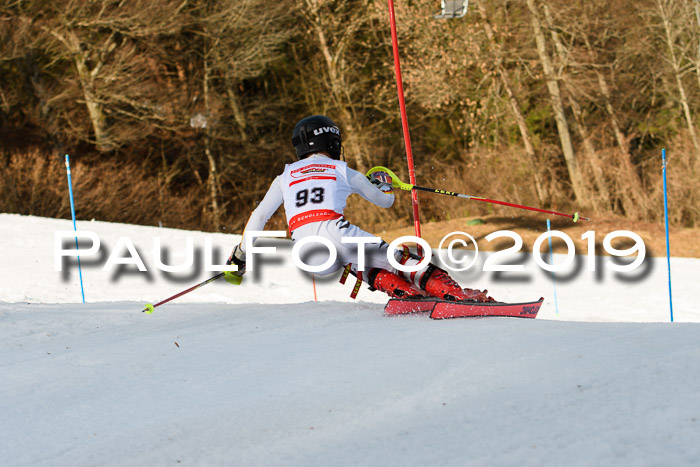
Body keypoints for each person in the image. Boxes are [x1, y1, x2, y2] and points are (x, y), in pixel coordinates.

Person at [226, 115, 493, 302]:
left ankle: (404, 292)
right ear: (331, 142)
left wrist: (241, 256)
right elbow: (384, 201)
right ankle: (454, 293)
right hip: (335, 231)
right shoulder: (341, 169)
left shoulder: (284, 176)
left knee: (355, 261)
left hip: (306, 253)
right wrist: (385, 185)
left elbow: (259, 215)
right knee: (397, 259)